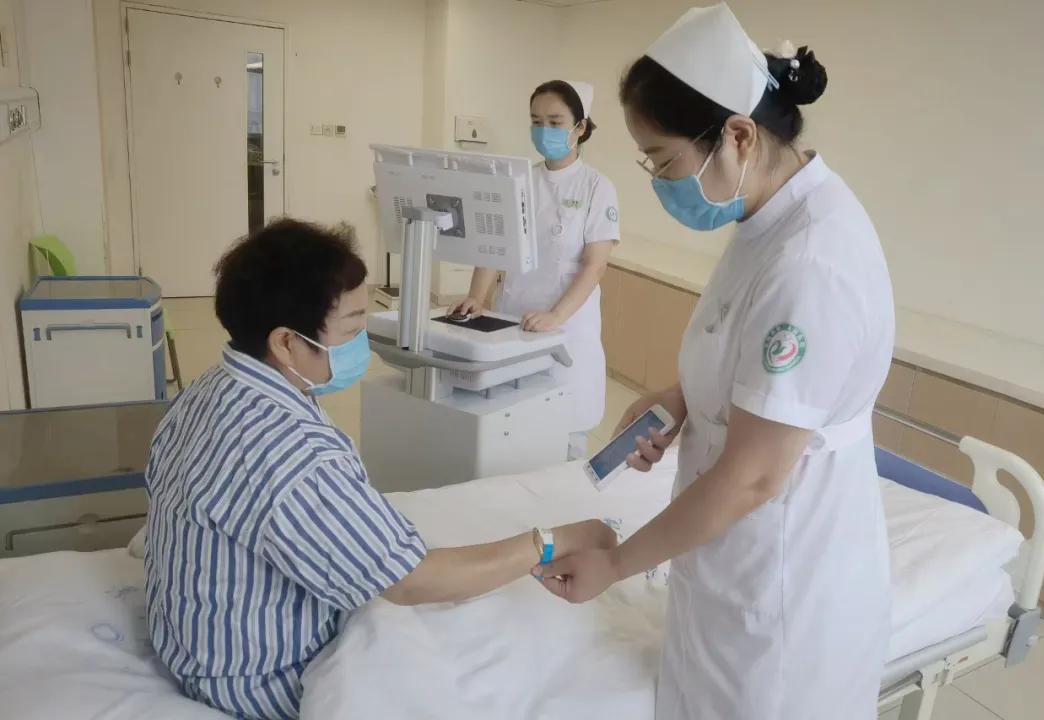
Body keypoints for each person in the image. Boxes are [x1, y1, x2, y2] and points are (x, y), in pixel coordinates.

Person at [534, 5, 894, 719]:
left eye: (664, 161)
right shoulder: (765, 216)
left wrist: (615, 563)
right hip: (728, 565)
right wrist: (682, 398)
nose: (660, 181)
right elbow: (747, 356)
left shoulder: (811, 263)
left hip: (784, 593)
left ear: (738, 136)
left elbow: (755, 475)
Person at [142, 218, 616, 720]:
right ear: (285, 343)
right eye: (351, 329)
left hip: (193, 646)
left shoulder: (208, 390)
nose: (360, 341)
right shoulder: (293, 457)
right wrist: (552, 541)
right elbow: (410, 581)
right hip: (258, 680)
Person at [452, 80, 620, 461]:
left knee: (563, 438)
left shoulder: (597, 188)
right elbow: (494, 246)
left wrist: (555, 316)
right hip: (514, 321)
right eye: (536, 121)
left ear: (580, 127)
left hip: (567, 331)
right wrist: (477, 297)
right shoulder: (520, 181)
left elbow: (595, 266)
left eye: (555, 122)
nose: (544, 131)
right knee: (510, 430)